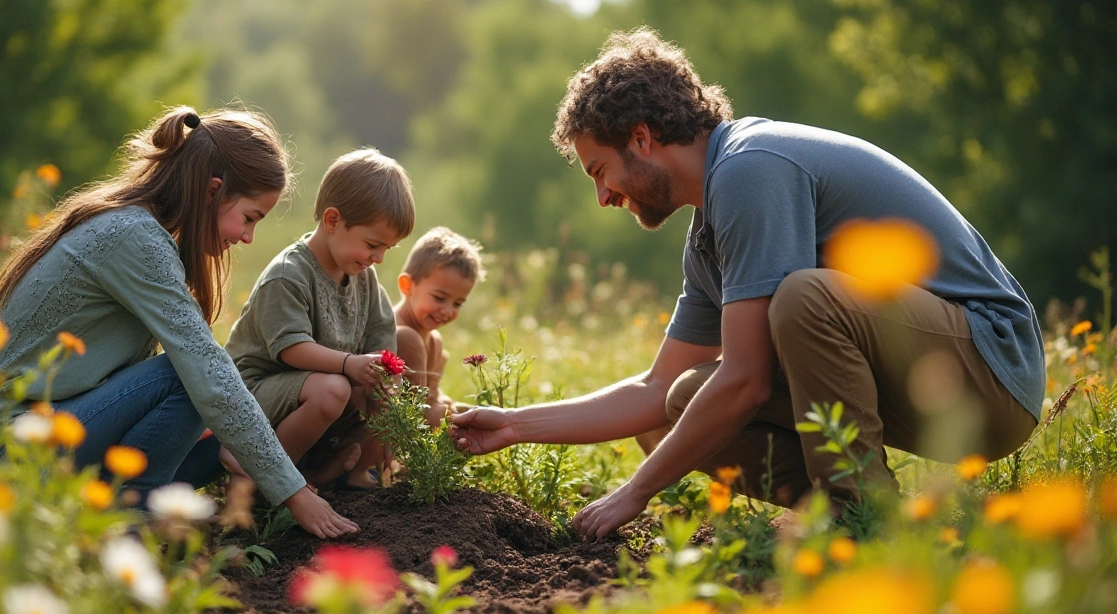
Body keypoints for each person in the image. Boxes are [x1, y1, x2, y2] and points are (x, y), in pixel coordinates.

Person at [450, 29, 1045, 541]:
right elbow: (656, 388)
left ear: (641, 138)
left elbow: (746, 380)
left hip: (990, 371)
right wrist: (513, 424)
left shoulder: (750, 168)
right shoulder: (709, 231)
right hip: (923, 377)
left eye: (599, 172)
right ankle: (868, 523)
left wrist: (634, 493)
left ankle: (862, 520)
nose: (602, 196)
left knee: (804, 299)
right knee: (677, 405)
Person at [0, 106, 359, 539]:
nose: (247, 237)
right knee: (189, 378)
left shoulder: (141, 229)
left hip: (50, 429)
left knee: (223, 433)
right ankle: (135, 527)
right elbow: (204, 368)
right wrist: (294, 494)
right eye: (249, 218)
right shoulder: (133, 237)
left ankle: (138, 511)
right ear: (213, 191)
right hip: (3, 453)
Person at [223, 149, 412, 491]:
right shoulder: (288, 275)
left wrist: (387, 406)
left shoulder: (364, 280)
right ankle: (268, 477)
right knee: (335, 388)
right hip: (254, 394)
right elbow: (292, 349)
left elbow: (384, 347)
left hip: (312, 394)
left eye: (388, 249)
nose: (380, 258)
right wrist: (350, 364)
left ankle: (332, 475)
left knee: (381, 393)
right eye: (372, 244)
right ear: (332, 220)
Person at [393, 227, 485, 427]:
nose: (447, 310)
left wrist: (448, 406)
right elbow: (417, 412)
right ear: (407, 285)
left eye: (457, 303)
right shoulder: (403, 336)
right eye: (439, 298)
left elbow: (431, 397)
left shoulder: (433, 340)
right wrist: (449, 410)